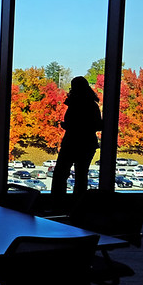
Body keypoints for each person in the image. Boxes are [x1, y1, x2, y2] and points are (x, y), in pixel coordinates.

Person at [50, 76, 103, 207]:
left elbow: (76, 124)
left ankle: (57, 204)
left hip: (71, 142)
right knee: (81, 176)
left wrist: (69, 126)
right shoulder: (92, 105)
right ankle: (78, 206)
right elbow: (98, 125)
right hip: (87, 144)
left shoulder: (75, 105)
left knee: (60, 174)